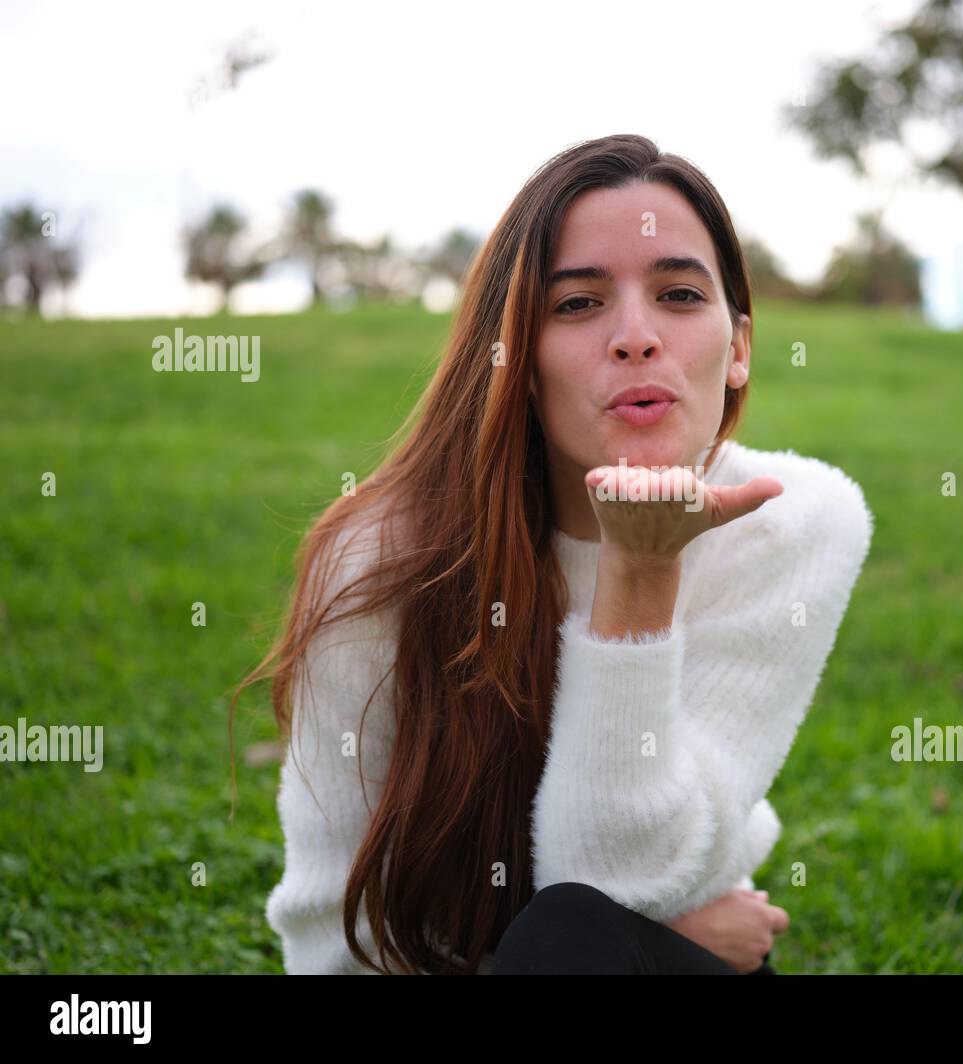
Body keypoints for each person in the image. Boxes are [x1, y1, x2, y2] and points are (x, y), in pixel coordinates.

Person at [232, 133, 873, 975]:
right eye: (576, 305)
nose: (637, 337)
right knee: (565, 936)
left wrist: (642, 575)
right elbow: (334, 951)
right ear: (515, 361)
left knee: (571, 928)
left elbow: (622, 881)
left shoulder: (794, 523)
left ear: (740, 348)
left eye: (679, 294)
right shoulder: (379, 561)